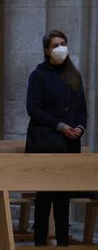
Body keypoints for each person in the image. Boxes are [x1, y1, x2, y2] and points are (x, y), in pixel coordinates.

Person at [25, 30, 87, 246]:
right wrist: (60, 126)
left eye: (64, 43)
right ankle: (40, 243)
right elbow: (32, 108)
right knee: (44, 199)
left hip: (69, 144)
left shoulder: (73, 75)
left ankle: (63, 243)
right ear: (47, 50)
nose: (61, 48)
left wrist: (79, 127)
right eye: (56, 45)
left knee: (63, 200)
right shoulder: (39, 75)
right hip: (46, 142)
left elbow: (82, 109)